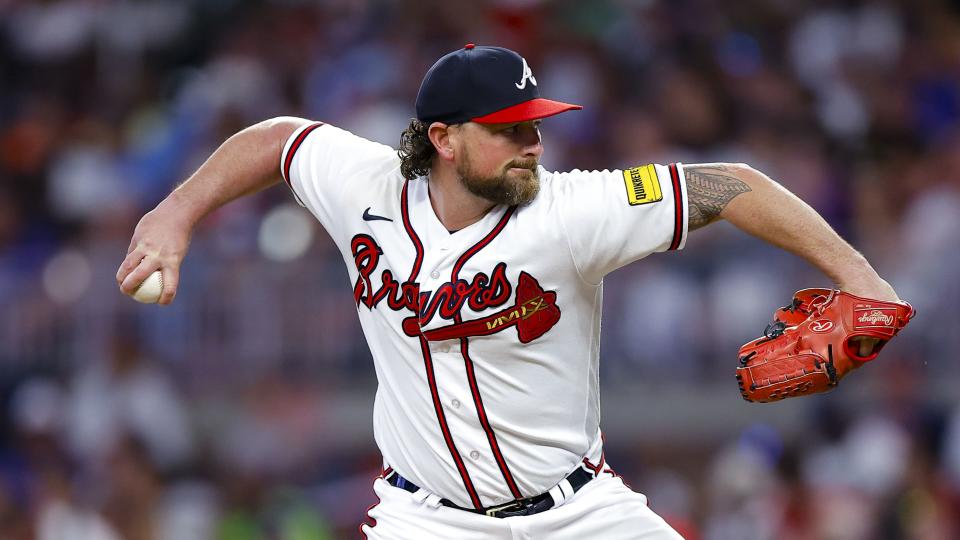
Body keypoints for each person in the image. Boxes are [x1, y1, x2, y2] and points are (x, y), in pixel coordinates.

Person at [116, 44, 901, 539]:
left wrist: (857, 278)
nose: (533, 142)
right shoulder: (365, 187)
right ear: (444, 140)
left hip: (578, 513)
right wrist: (175, 211)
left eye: (535, 124)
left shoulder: (572, 207)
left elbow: (731, 185)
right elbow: (278, 139)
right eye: (508, 129)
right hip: (426, 519)